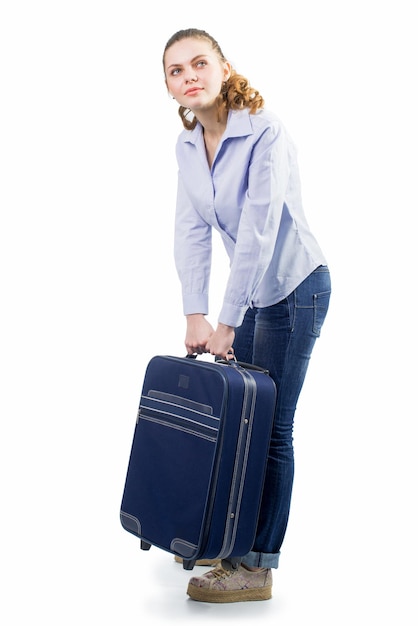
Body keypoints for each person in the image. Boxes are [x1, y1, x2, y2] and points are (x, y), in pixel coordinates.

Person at [163, 28, 331, 603]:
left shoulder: (265, 133)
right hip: (253, 296)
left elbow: (258, 234)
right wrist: (195, 314)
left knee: (273, 426)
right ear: (169, 87)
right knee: (243, 423)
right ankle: (231, 538)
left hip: (294, 288)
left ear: (224, 66)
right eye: (176, 71)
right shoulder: (188, 147)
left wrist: (227, 321)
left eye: (199, 63)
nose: (189, 76)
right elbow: (191, 233)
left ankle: (255, 565)